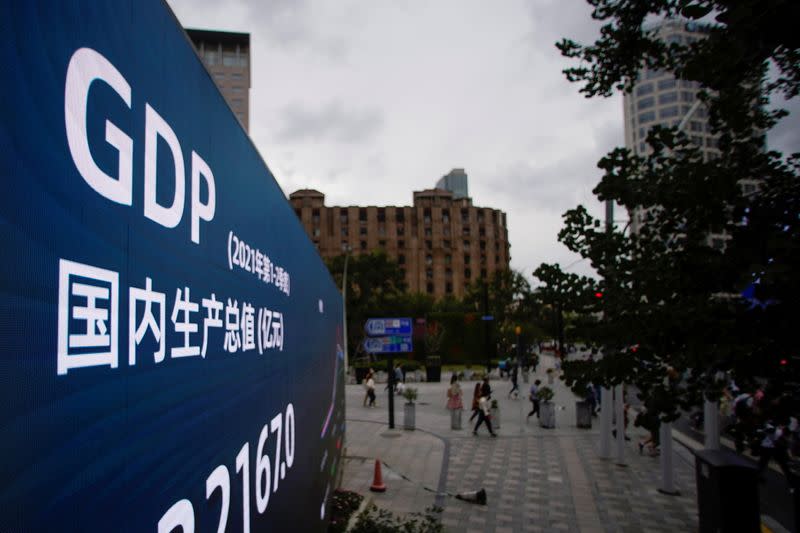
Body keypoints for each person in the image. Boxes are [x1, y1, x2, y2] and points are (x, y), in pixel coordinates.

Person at [758, 420, 794, 486]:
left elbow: (785, 439)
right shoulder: (774, 428)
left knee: (764, 463)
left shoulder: (779, 430)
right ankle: (790, 479)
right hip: (768, 448)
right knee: (764, 463)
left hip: (771, 448)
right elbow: (768, 429)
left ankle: (790, 478)